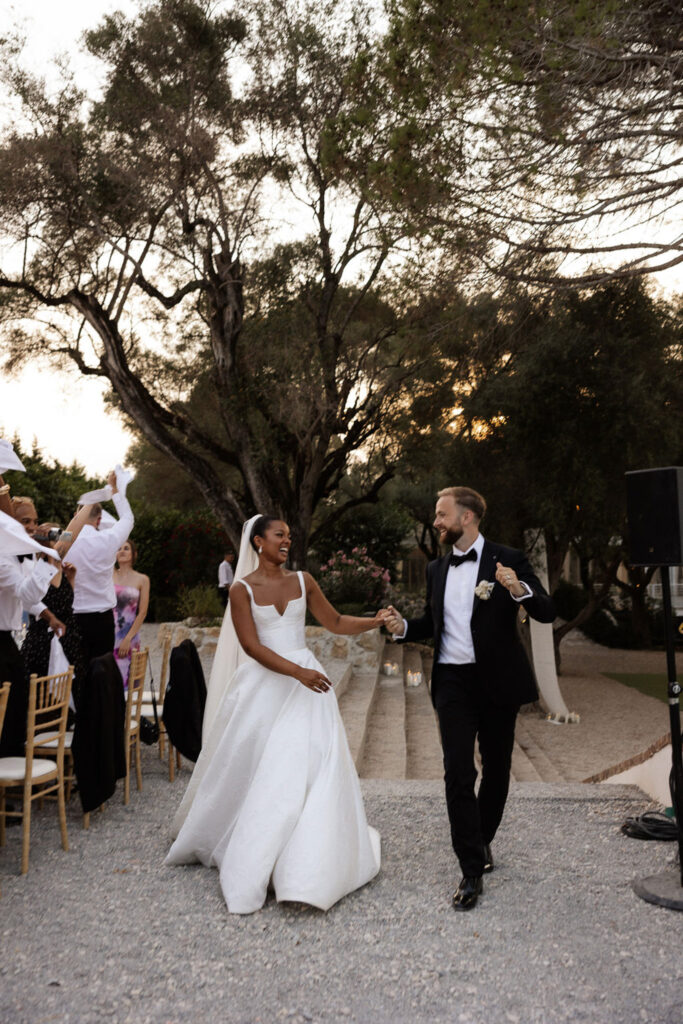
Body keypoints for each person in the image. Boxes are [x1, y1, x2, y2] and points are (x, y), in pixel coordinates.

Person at [166, 514, 389, 914]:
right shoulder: (241, 589)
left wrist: (374, 621)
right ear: (258, 542)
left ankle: (307, 857)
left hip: (308, 685)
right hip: (266, 685)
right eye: (279, 535)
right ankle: (255, 849)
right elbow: (252, 647)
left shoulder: (304, 581)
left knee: (313, 764)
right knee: (264, 769)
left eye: (289, 534)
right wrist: (298, 672)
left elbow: (334, 621)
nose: (287, 540)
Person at [384, 486, 555, 911]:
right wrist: (403, 626)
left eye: (442, 515)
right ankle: (471, 869)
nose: (436, 522)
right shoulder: (436, 569)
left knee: (496, 769)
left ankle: (483, 839)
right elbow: (433, 623)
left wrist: (518, 589)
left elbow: (547, 611)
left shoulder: (508, 558)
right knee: (458, 771)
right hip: (453, 685)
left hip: (497, 682)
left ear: (468, 517)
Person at [0, 498, 65, 756]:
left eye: (35, 521)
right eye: (25, 521)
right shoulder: (4, 558)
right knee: (11, 701)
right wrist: (49, 560)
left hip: (7, 638)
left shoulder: (22, 556)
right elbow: (26, 593)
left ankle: (15, 761)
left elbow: (32, 599)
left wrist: (49, 616)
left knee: (18, 699)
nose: (32, 526)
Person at [67, 471, 134, 668]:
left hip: (73, 617)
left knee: (77, 672)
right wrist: (114, 490)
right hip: (102, 620)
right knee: (101, 674)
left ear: (75, 517)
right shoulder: (108, 539)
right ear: (99, 520)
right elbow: (128, 518)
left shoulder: (64, 541)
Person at [21, 520, 87, 707]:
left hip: (70, 641)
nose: (58, 542)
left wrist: (71, 579)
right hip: (42, 643)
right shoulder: (36, 569)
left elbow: (66, 605)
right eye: (53, 538)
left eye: (57, 537)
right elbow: (31, 602)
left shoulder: (64, 568)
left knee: (74, 700)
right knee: (40, 702)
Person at [113, 539, 150, 688]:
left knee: (125, 679)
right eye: (119, 548)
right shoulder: (108, 574)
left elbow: (142, 612)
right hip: (108, 631)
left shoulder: (142, 579)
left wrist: (128, 638)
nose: (122, 551)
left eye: (126, 548)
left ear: (134, 554)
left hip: (128, 634)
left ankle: (125, 711)